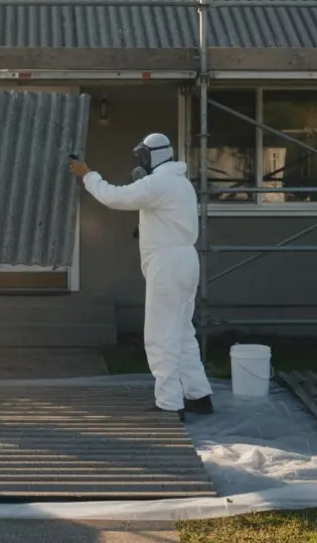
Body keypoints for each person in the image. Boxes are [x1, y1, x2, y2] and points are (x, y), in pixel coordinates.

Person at [69, 133, 213, 420]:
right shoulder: (180, 183)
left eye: (142, 157)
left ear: (152, 157)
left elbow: (114, 196)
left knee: (161, 336)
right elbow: (166, 218)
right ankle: (199, 395)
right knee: (183, 333)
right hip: (186, 260)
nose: (139, 163)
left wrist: (88, 175)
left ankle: (169, 405)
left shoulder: (159, 183)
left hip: (168, 265)